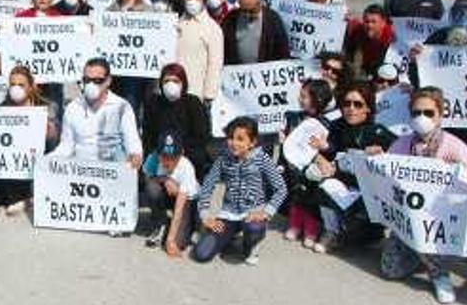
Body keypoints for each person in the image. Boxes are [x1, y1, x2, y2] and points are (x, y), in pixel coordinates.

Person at [378, 87, 467, 304]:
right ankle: (419, 256)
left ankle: (438, 273)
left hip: (440, 221)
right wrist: (376, 159)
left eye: (428, 113)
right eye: (416, 112)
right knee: (389, 270)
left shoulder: (455, 147)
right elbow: (385, 176)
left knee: (427, 238)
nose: (421, 118)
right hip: (408, 218)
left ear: (440, 114)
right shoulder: (402, 144)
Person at [411, 0, 467, 165]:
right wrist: (415, 63)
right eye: (459, 12)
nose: (464, 18)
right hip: (446, 121)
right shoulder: (438, 39)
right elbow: (421, 82)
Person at [309, 81, 396, 253]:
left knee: (357, 235)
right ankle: (331, 232)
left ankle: (367, 233)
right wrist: (320, 159)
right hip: (341, 184)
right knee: (320, 181)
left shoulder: (378, 132)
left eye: (358, 104)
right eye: (347, 103)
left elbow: (401, 156)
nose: (351, 108)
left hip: (368, 193)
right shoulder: (334, 126)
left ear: (368, 108)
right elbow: (312, 149)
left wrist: (383, 154)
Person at [192, 116, 287, 265]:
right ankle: (229, 237)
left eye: (240, 139)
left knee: (253, 228)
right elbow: (207, 186)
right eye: (230, 137)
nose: (233, 143)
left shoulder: (262, 159)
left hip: (252, 215)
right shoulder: (223, 159)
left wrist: (266, 212)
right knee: (201, 254)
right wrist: (206, 216)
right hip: (228, 214)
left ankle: (252, 244)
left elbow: (281, 188)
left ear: (252, 142)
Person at [0, 65, 60, 215]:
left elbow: (54, 142)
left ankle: (26, 195)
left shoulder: (47, 107)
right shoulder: (3, 108)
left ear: (31, 87)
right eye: (13, 85)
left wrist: (49, 130)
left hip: (36, 160)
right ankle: (27, 197)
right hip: (13, 163)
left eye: (21, 85)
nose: (16, 88)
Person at [50, 58, 142, 168]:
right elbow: (66, 146)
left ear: (108, 81)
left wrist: (135, 155)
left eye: (97, 81)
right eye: (87, 80)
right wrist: (46, 162)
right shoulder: (73, 108)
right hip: (81, 172)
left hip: (112, 171)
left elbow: (132, 142)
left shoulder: (122, 107)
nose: (91, 85)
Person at [279, 79, 335, 250]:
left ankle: (311, 230)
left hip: (312, 168)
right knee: (296, 195)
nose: (300, 99)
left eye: (304, 96)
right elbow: (287, 145)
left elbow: (331, 148)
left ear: (317, 99)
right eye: (300, 95)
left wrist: (325, 147)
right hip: (293, 166)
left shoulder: (326, 124)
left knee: (312, 198)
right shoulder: (292, 117)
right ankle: (295, 225)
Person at [142, 64, 212, 179]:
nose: (171, 84)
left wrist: (178, 152)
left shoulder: (193, 103)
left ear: (183, 83)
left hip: (188, 157)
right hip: (161, 159)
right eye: (167, 81)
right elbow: (148, 136)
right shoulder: (154, 103)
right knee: (153, 192)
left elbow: (202, 136)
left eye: (176, 81)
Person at [142, 131, 200, 257]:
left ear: (181, 154)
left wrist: (170, 240)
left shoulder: (186, 167)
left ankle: (191, 225)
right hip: (168, 195)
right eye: (164, 156)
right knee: (152, 188)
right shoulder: (153, 158)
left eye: (173, 157)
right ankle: (160, 223)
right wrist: (165, 179)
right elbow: (147, 178)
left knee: (179, 243)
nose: (168, 161)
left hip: (188, 200)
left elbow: (179, 208)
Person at [176, 0, 224, 136]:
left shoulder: (212, 28)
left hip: (197, 93)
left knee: (196, 136)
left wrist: (209, 94)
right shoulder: (176, 23)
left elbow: (215, 63)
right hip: (174, 90)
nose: (192, 2)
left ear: (203, 0)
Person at [222, 0, 290, 64]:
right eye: (244, 11)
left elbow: (283, 51)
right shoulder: (230, 19)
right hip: (238, 73)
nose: (248, 15)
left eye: (251, 10)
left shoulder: (273, 19)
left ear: (259, 2)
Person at [343, 4, 394, 80]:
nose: (370, 25)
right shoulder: (359, 30)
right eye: (367, 21)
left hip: (387, 67)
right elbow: (350, 22)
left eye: (374, 22)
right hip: (367, 66)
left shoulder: (392, 35)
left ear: (383, 23)